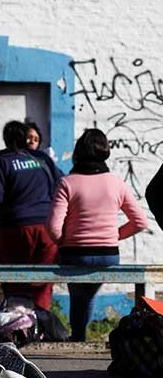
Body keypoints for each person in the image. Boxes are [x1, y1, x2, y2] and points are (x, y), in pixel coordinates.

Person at [46, 129, 148, 341]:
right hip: (107, 255)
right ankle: (79, 336)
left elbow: (53, 228)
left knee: (78, 296)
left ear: (78, 152)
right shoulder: (116, 183)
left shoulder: (67, 182)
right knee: (88, 295)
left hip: (75, 254)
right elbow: (140, 222)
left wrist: (64, 241)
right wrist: (114, 236)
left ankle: (78, 336)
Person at [0, 121, 63, 311]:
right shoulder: (43, 159)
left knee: (15, 281)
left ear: (7, 140)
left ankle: (18, 321)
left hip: (15, 229)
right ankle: (41, 320)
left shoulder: (3, 161)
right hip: (47, 229)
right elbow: (61, 185)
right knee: (43, 282)